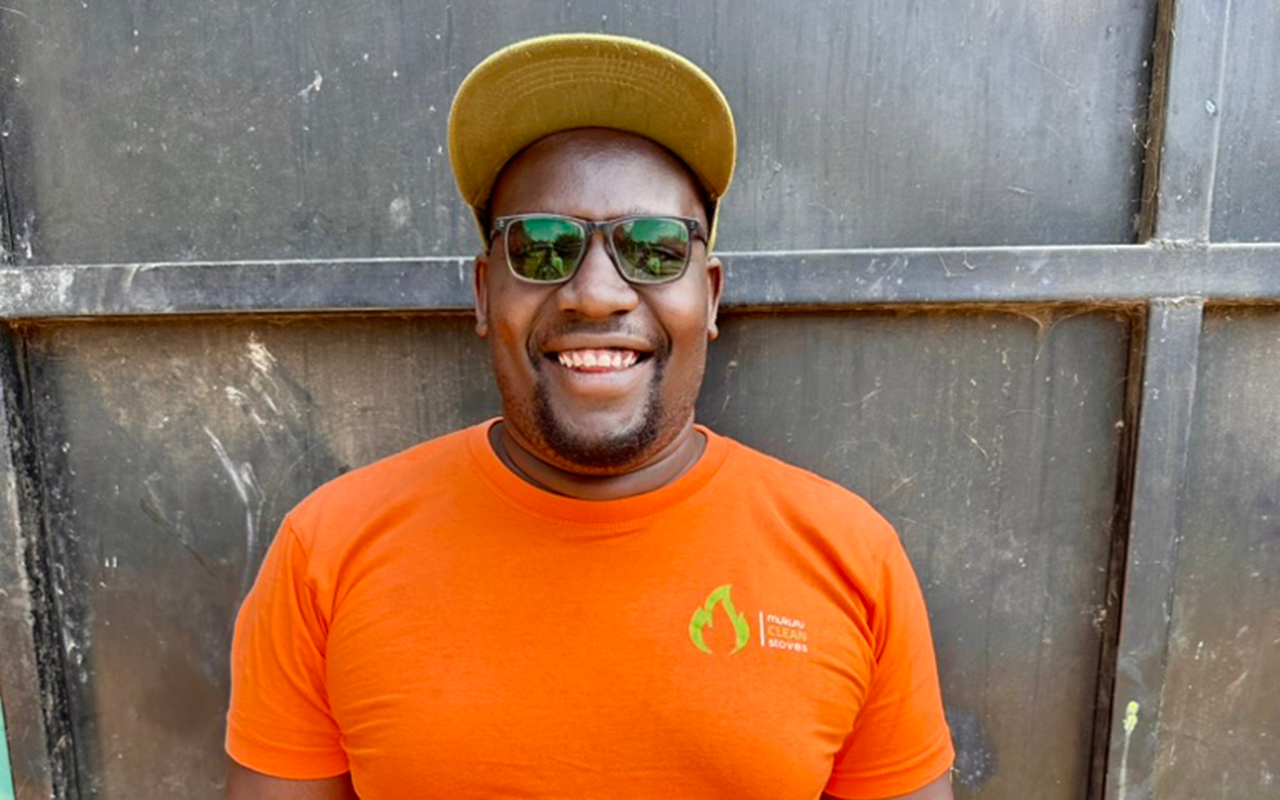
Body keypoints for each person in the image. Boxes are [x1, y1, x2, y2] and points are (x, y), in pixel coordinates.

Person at [225, 33, 954, 800]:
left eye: (654, 249)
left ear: (709, 296)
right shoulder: (329, 551)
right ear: (483, 295)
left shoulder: (850, 556)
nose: (595, 294)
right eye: (542, 247)